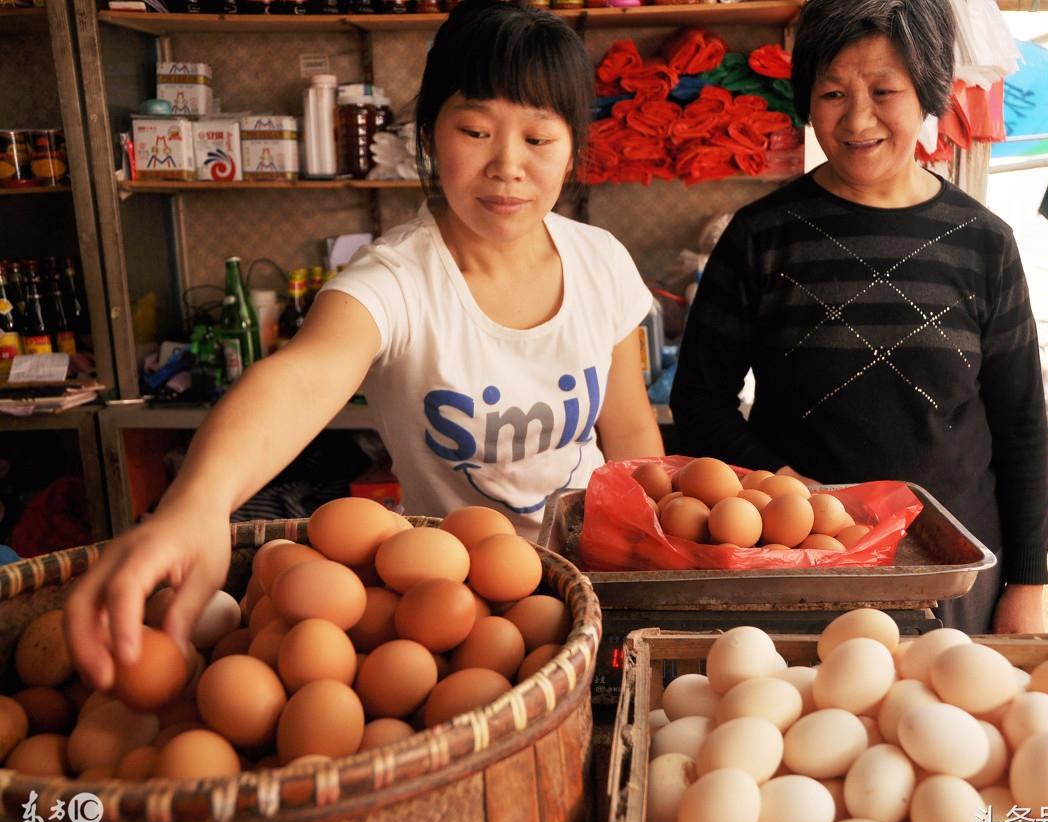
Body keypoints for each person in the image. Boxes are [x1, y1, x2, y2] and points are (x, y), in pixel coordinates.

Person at [66, 0, 663, 690]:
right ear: (431, 134)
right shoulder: (397, 280)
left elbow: (629, 432)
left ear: (572, 148)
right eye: (475, 130)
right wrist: (196, 504)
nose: (507, 166)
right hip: (460, 613)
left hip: (597, 581)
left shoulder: (601, 261)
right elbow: (301, 378)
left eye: (538, 138)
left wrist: (659, 553)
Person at [669, 0, 1048, 634]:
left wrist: (1028, 582)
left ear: (927, 90)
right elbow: (700, 401)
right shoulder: (762, 237)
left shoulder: (984, 244)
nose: (858, 119)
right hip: (799, 574)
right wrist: (789, 491)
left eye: (884, 91)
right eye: (833, 93)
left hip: (951, 577)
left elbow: (1020, 424)